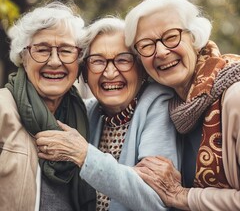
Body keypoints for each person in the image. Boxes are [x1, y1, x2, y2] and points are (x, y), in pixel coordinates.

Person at [35, 17, 179, 211]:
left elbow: (156, 200)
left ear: (141, 69)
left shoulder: (158, 104)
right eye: (97, 61)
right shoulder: (87, 112)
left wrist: (84, 154)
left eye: (123, 59)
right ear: (84, 73)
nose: (110, 73)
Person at [124, 0, 240, 210]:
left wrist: (182, 196)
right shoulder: (175, 108)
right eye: (146, 45)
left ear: (195, 38)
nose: (161, 52)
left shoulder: (235, 96)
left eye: (171, 37)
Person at [0, 0, 95, 210]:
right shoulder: (2, 109)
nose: (54, 61)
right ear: (23, 57)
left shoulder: (88, 118)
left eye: (66, 50)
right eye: (42, 49)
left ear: (79, 60)